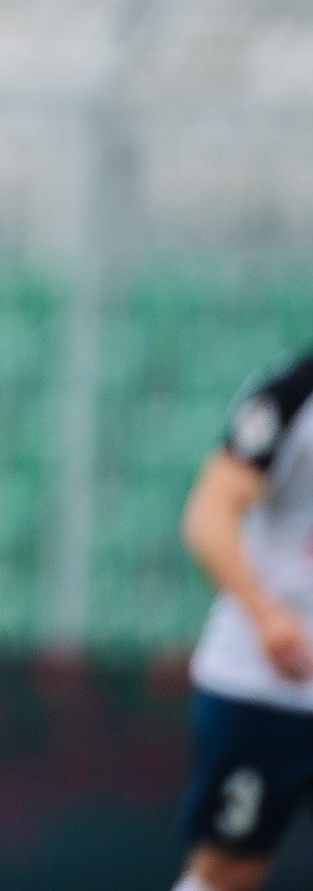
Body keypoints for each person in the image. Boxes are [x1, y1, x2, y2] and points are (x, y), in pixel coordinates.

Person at [170, 352, 313, 891]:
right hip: (265, 682)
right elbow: (210, 512)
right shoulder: (292, 396)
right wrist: (266, 614)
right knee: (232, 868)